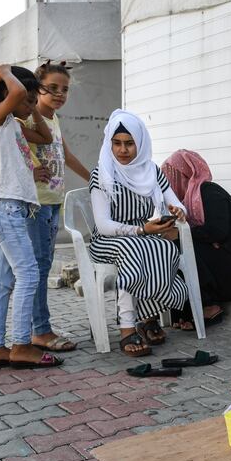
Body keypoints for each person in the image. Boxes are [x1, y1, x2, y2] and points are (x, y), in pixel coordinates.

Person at [0, 64, 64, 369]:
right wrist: (4, 72)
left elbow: (44, 136)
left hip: (9, 208)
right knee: (29, 274)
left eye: (31, 101)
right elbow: (13, 93)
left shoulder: (12, 123)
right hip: (6, 207)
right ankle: (22, 346)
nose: (29, 106)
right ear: (9, 94)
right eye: (27, 100)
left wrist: (32, 110)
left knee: (3, 281)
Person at [88, 110, 188, 356]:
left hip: (143, 234)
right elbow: (102, 225)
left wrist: (178, 211)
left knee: (163, 247)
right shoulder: (102, 174)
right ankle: (126, 327)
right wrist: (142, 229)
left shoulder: (152, 171)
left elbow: (175, 202)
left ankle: (148, 317)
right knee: (135, 248)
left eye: (130, 144)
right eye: (117, 143)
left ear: (141, 144)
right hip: (109, 239)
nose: (123, 150)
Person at [19, 61, 90, 353]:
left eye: (65, 90)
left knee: (43, 265)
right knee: (37, 268)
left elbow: (65, 154)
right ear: (38, 89)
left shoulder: (54, 119)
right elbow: (14, 147)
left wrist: (92, 178)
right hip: (36, 204)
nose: (59, 94)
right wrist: (30, 170)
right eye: (52, 88)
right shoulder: (28, 119)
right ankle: (40, 331)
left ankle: (39, 328)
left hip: (52, 203)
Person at [162, 150, 231, 328]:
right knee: (169, 249)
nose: (169, 184)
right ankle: (186, 310)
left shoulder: (210, 192)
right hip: (221, 264)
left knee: (182, 245)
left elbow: (218, 232)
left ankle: (209, 306)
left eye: (172, 177)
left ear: (184, 175)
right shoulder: (186, 202)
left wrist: (180, 234)